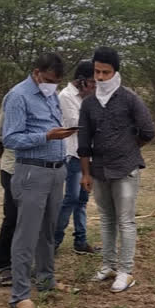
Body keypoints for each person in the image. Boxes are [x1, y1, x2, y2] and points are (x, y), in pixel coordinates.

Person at [3, 53, 77, 308]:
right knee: (26, 235)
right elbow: (11, 138)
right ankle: (20, 295)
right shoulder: (18, 96)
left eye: (56, 82)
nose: (51, 85)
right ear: (36, 73)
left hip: (57, 171)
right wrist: (46, 135)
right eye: (48, 80)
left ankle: (46, 280)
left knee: (48, 231)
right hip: (32, 173)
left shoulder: (51, 95)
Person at [78, 47, 155, 292]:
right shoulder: (89, 103)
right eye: (97, 72)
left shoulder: (130, 98)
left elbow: (148, 131)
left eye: (105, 72)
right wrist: (86, 173)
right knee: (106, 219)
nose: (100, 77)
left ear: (115, 72)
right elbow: (83, 140)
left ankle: (126, 271)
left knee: (126, 221)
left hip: (125, 168)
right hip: (98, 169)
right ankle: (108, 265)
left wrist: (129, 148)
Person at [55, 60, 98, 254]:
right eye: (92, 82)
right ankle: (54, 241)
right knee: (70, 199)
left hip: (87, 154)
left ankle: (80, 241)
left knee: (82, 200)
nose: (94, 87)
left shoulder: (87, 97)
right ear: (81, 81)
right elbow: (74, 124)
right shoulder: (66, 96)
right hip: (72, 154)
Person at [0, 100, 18, 286]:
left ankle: (21, 262)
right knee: (12, 217)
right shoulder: (14, 98)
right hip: (12, 169)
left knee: (32, 219)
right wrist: (3, 159)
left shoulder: (51, 100)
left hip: (39, 170)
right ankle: (4, 265)